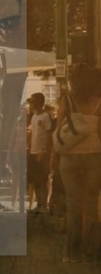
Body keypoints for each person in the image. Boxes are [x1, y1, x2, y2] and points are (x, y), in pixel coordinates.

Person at [55, 64, 101, 262]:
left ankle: (72, 254)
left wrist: (54, 157)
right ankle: (92, 251)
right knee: (91, 205)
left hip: (69, 157)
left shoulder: (67, 100)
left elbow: (59, 130)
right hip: (94, 157)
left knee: (73, 205)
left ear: (73, 80)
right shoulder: (98, 102)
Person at [27, 92, 51, 212]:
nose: (31, 104)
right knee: (35, 180)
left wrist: (46, 151)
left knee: (42, 180)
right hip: (33, 151)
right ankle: (38, 204)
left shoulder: (45, 116)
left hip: (41, 151)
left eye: (33, 102)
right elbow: (33, 134)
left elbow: (49, 134)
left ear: (39, 102)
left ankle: (44, 204)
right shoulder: (34, 117)